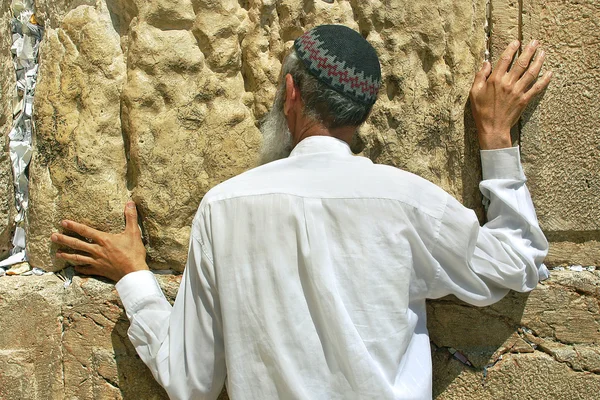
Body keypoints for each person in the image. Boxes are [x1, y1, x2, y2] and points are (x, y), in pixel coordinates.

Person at [51, 25, 552, 400]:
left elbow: (191, 381)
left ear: (290, 93)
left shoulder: (224, 209)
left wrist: (135, 277)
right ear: (362, 113)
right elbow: (517, 262)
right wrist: (495, 137)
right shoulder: (406, 203)